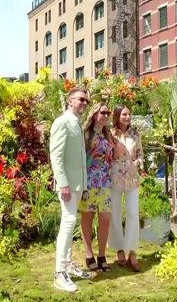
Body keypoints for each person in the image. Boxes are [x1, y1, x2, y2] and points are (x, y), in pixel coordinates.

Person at [49, 86, 91, 293]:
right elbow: (56, 156)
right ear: (70, 101)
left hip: (76, 184)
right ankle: (59, 273)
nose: (84, 103)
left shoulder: (76, 123)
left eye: (87, 101)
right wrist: (63, 183)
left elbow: (79, 158)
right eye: (81, 99)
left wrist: (82, 185)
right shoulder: (62, 122)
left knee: (71, 222)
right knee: (68, 223)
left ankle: (67, 265)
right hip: (67, 184)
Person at [79, 102, 113, 272]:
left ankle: (102, 255)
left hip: (105, 183)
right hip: (89, 183)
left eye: (108, 113)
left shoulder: (108, 135)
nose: (106, 115)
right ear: (94, 115)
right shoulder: (85, 134)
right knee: (87, 218)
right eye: (103, 112)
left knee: (105, 220)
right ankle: (88, 254)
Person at [109, 105, 143, 272]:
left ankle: (132, 251)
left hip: (131, 178)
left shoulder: (135, 134)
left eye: (129, 114)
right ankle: (119, 248)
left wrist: (136, 164)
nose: (128, 117)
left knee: (132, 213)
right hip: (114, 178)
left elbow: (140, 155)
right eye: (124, 114)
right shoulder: (110, 134)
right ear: (117, 116)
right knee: (115, 213)